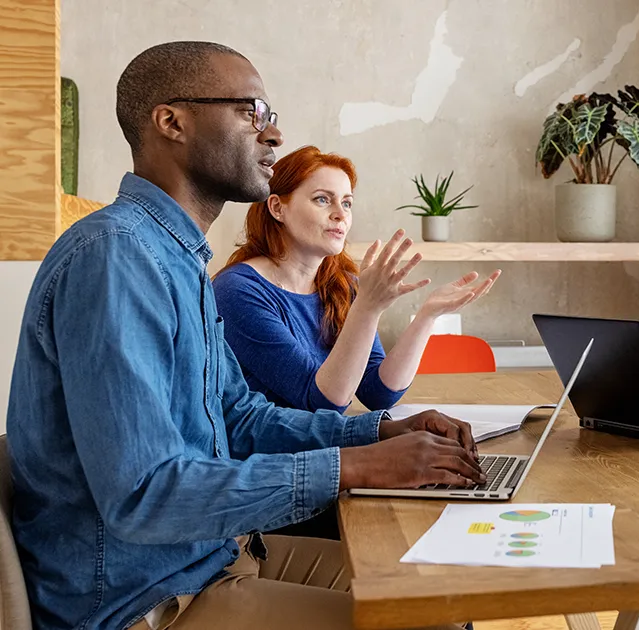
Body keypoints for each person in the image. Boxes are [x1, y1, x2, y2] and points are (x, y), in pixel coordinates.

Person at [5, 41, 480, 630]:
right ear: (172, 122)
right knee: (432, 623)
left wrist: (377, 432)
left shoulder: (178, 259)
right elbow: (143, 495)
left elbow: (238, 418)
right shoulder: (116, 258)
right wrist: (355, 467)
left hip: (213, 556)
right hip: (142, 600)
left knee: (444, 594)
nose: (273, 133)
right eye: (251, 111)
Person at [213, 145, 499, 414]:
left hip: (322, 443)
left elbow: (378, 393)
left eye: (347, 203)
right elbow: (320, 403)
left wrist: (427, 316)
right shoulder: (237, 291)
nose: (341, 214)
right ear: (277, 208)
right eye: (322, 199)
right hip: (267, 449)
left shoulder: (341, 285)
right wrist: (368, 307)